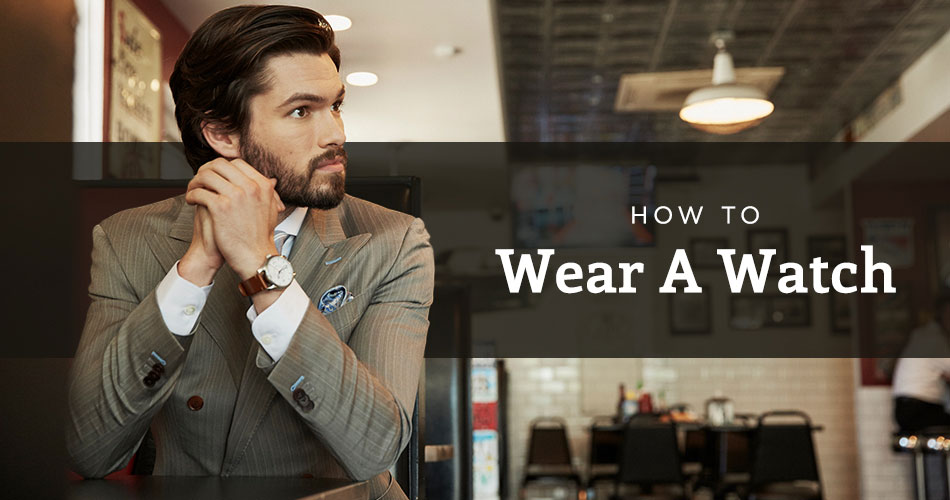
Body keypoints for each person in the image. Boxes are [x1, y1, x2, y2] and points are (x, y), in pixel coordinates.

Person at [66, 6, 433, 499]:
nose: (336, 135)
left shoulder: (395, 242)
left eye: (336, 106)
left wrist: (264, 266)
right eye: (301, 111)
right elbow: (90, 451)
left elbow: (375, 449)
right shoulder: (126, 239)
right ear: (222, 134)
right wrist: (192, 271)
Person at [893, 295, 950, 433]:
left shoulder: (922, 334)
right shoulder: (936, 340)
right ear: (941, 315)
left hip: (904, 410)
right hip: (920, 410)